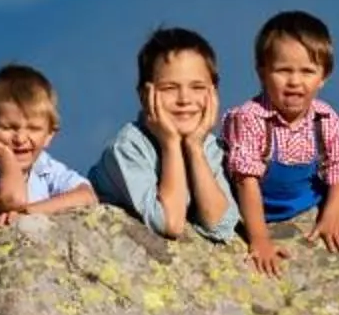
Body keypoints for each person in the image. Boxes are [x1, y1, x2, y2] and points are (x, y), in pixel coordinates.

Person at [222, 10, 339, 276]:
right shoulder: (250, 118)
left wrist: (333, 213)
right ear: (262, 72)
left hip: (308, 204)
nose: (295, 81)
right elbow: (245, 181)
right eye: (283, 70)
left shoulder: (324, 118)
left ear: (324, 76)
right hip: (256, 210)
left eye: (308, 71)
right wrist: (260, 239)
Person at [89, 27, 241, 243]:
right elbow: (170, 222)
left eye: (197, 87)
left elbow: (220, 225)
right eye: (170, 88)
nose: (184, 99)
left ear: (213, 93)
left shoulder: (207, 146)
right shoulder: (128, 148)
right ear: (145, 95)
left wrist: (195, 149)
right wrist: (170, 143)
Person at [0, 63, 99, 233]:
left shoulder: (46, 168)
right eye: (8, 128)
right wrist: (5, 156)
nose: (20, 139)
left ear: (50, 134)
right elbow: (12, 199)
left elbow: (86, 196)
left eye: (34, 128)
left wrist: (29, 213)